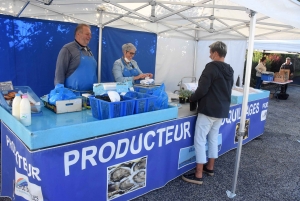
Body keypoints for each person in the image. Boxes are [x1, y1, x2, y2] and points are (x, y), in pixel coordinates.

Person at [182, 41, 234, 185]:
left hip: (208, 109)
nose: (209, 54)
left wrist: (191, 98)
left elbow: (202, 89)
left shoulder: (211, 67)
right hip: (221, 110)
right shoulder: (229, 69)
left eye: (211, 52)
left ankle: (198, 173)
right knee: (213, 138)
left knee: (199, 140)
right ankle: (210, 167)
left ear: (216, 53)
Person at [54, 24, 97, 92]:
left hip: (91, 94)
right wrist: (59, 90)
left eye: (90, 34)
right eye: (87, 34)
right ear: (78, 34)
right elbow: (60, 72)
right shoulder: (67, 49)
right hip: (74, 96)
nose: (90, 37)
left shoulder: (89, 51)